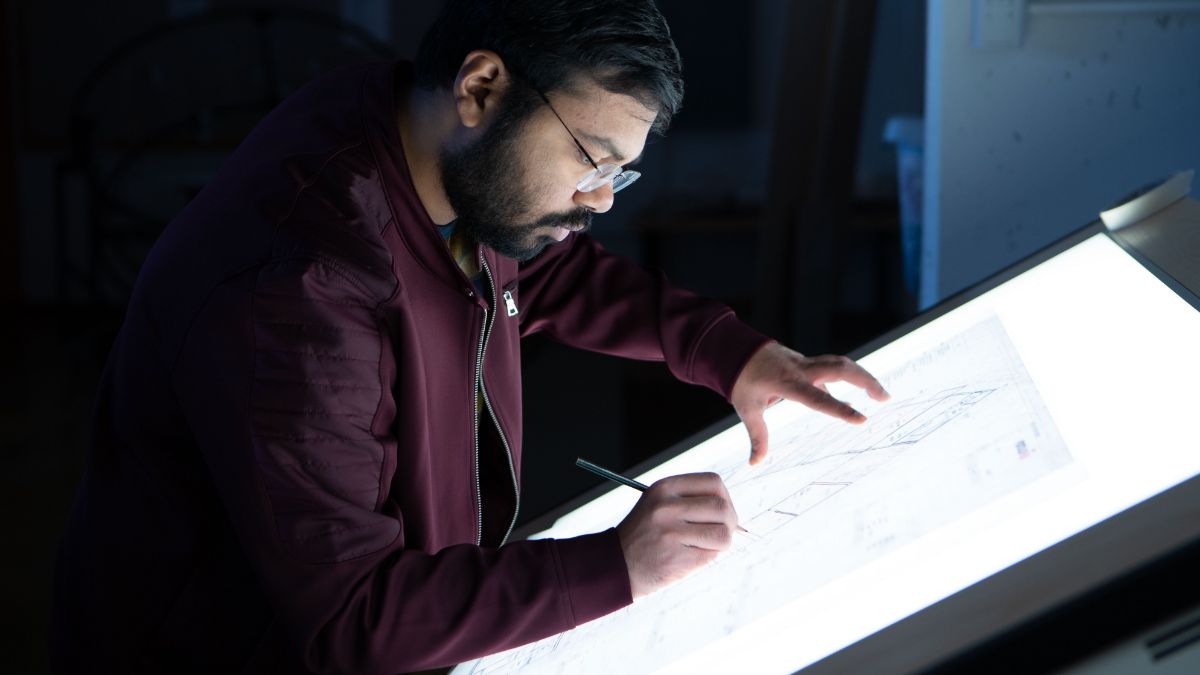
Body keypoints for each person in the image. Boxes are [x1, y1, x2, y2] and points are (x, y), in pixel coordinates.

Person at [51, 1, 888, 672]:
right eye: (592, 161)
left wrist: (730, 352)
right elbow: (355, 618)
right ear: (482, 87)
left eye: (618, 174)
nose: (602, 202)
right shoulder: (298, 289)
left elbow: (543, 268)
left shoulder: (421, 144)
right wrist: (616, 567)